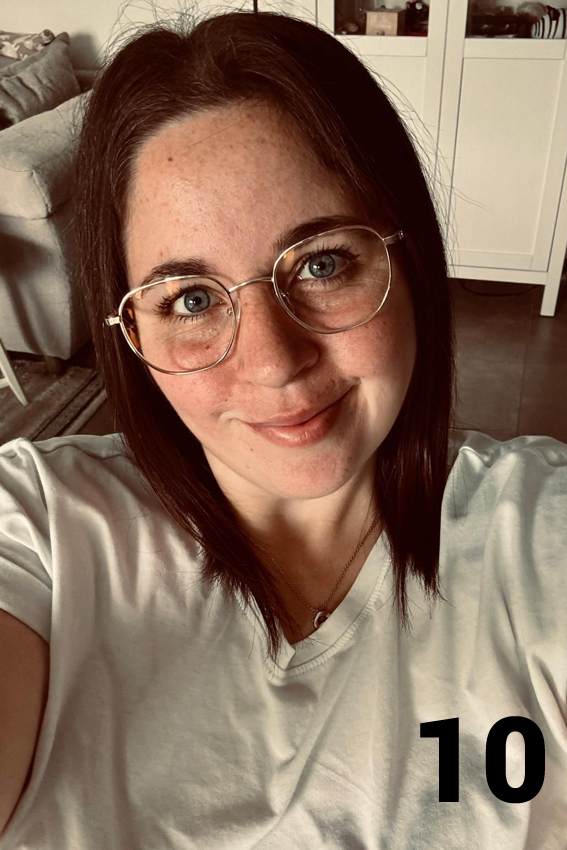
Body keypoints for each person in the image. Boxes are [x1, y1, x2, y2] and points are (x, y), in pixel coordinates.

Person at [0, 8, 565, 849]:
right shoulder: (38, 527)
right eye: (191, 299)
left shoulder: (541, 532)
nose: (273, 364)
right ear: (129, 330)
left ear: (407, 260)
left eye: (322, 263)